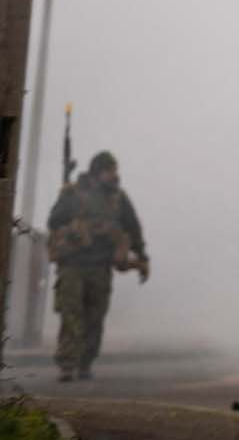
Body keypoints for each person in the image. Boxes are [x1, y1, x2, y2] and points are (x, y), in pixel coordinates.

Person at [46, 150, 148, 382]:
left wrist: (142, 256)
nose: (115, 176)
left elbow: (133, 227)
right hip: (72, 264)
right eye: (110, 171)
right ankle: (67, 364)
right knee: (72, 315)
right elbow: (54, 221)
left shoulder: (118, 198)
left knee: (95, 317)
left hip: (100, 266)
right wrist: (75, 228)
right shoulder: (72, 194)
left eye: (115, 171)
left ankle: (85, 363)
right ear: (97, 172)